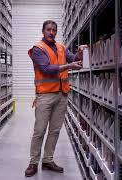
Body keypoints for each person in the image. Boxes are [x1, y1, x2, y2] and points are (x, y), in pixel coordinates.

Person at [25, 20, 88, 177]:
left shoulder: (61, 48)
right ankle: (33, 162)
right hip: (45, 95)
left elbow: (73, 58)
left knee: (54, 130)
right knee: (39, 130)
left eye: (54, 30)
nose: (51, 32)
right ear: (43, 31)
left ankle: (47, 160)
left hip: (62, 95)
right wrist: (68, 67)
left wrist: (81, 52)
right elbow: (46, 69)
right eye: (48, 29)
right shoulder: (38, 49)